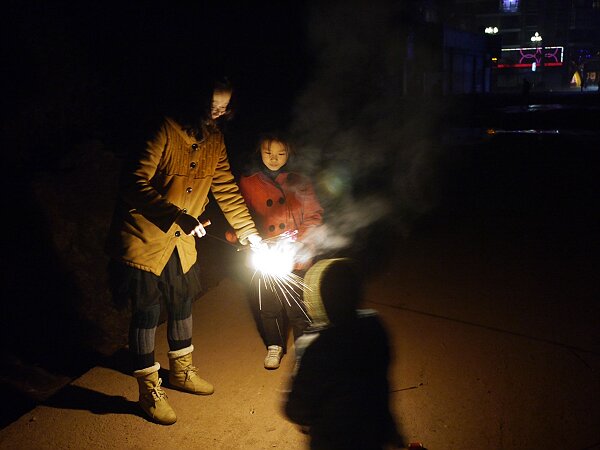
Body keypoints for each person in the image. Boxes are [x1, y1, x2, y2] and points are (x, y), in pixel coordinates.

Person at [106, 77, 262, 425]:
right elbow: (133, 183)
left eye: (224, 107)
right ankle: (148, 390)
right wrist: (176, 215)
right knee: (147, 311)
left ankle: (181, 371)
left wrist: (251, 233)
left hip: (182, 241)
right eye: (212, 106)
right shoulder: (164, 128)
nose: (218, 113)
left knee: (182, 302)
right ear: (194, 99)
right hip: (146, 237)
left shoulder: (215, 140)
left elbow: (225, 188)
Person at [284, 258, 404, 449]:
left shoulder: (315, 347)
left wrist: (301, 414)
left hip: (332, 440)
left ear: (315, 302)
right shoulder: (375, 327)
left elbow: (297, 408)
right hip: (373, 430)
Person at [236, 132, 324, 370]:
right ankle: (274, 344)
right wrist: (239, 237)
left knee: (298, 306)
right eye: (268, 153)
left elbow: (314, 215)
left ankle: (303, 350)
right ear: (259, 151)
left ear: (289, 153)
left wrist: (302, 242)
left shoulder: (301, 181)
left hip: (294, 257)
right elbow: (240, 216)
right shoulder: (248, 182)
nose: (273, 158)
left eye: (280, 153)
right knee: (269, 304)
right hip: (265, 255)